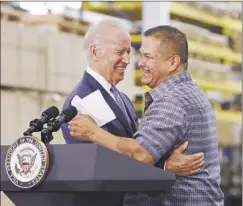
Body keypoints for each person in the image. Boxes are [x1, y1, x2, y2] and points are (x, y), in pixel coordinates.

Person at [69, 25, 224, 206]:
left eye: (148, 57)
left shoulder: (172, 100)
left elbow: (140, 154)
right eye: (121, 52)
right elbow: (91, 164)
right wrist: (165, 167)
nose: (136, 62)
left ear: (173, 63)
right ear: (95, 52)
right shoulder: (81, 99)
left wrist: (93, 132)